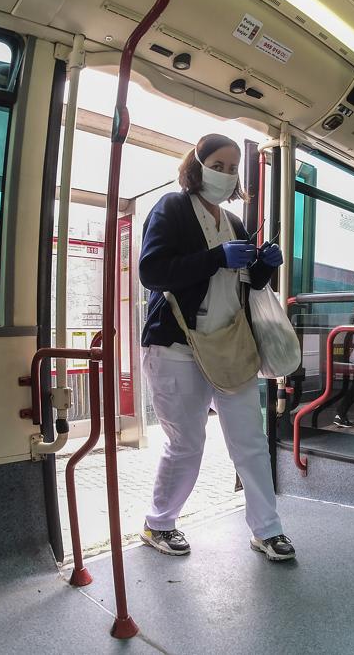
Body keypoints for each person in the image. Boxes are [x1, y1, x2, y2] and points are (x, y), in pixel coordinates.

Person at [137, 133, 294, 562]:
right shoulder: (172, 208)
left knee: (250, 441)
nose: (226, 175)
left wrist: (263, 267)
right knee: (187, 442)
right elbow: (151, 271)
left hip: (230, 343)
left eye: (232, 168)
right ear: (197, 166)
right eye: (218, 166)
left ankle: (267, 529)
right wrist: (216, 258)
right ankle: (159, 523)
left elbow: (247, 285)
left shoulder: (235, 222)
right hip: (176, 343)